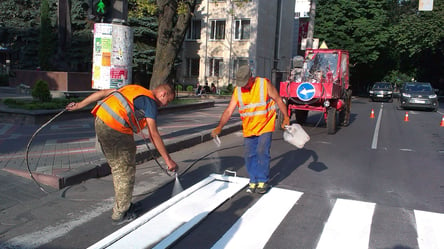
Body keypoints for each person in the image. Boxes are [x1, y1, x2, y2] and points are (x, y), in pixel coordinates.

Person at [66, 83, 178, 224]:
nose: (165, 105)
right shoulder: (150, 102)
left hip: (102, 121)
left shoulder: (134, 89)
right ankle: (120, 214)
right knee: (124, 169)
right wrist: (168, 161)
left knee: (125, 160)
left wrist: (79, 105)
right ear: (163, 94)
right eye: (167, 101)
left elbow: (103, 93)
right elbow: (153, 133)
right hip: (114, 128)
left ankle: (125, 204)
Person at [211, 65, 290, 194]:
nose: (243, 86)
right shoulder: (238, 91)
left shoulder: (263, 84)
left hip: (265, 124)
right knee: (249, 154)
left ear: (251, 78)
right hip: (249, 128)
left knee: (261, 151)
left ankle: (262, 180)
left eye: (245, 83)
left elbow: (278, 99)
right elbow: (229, 110)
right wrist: (220, 126)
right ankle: (253, 180)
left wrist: (286, 117)